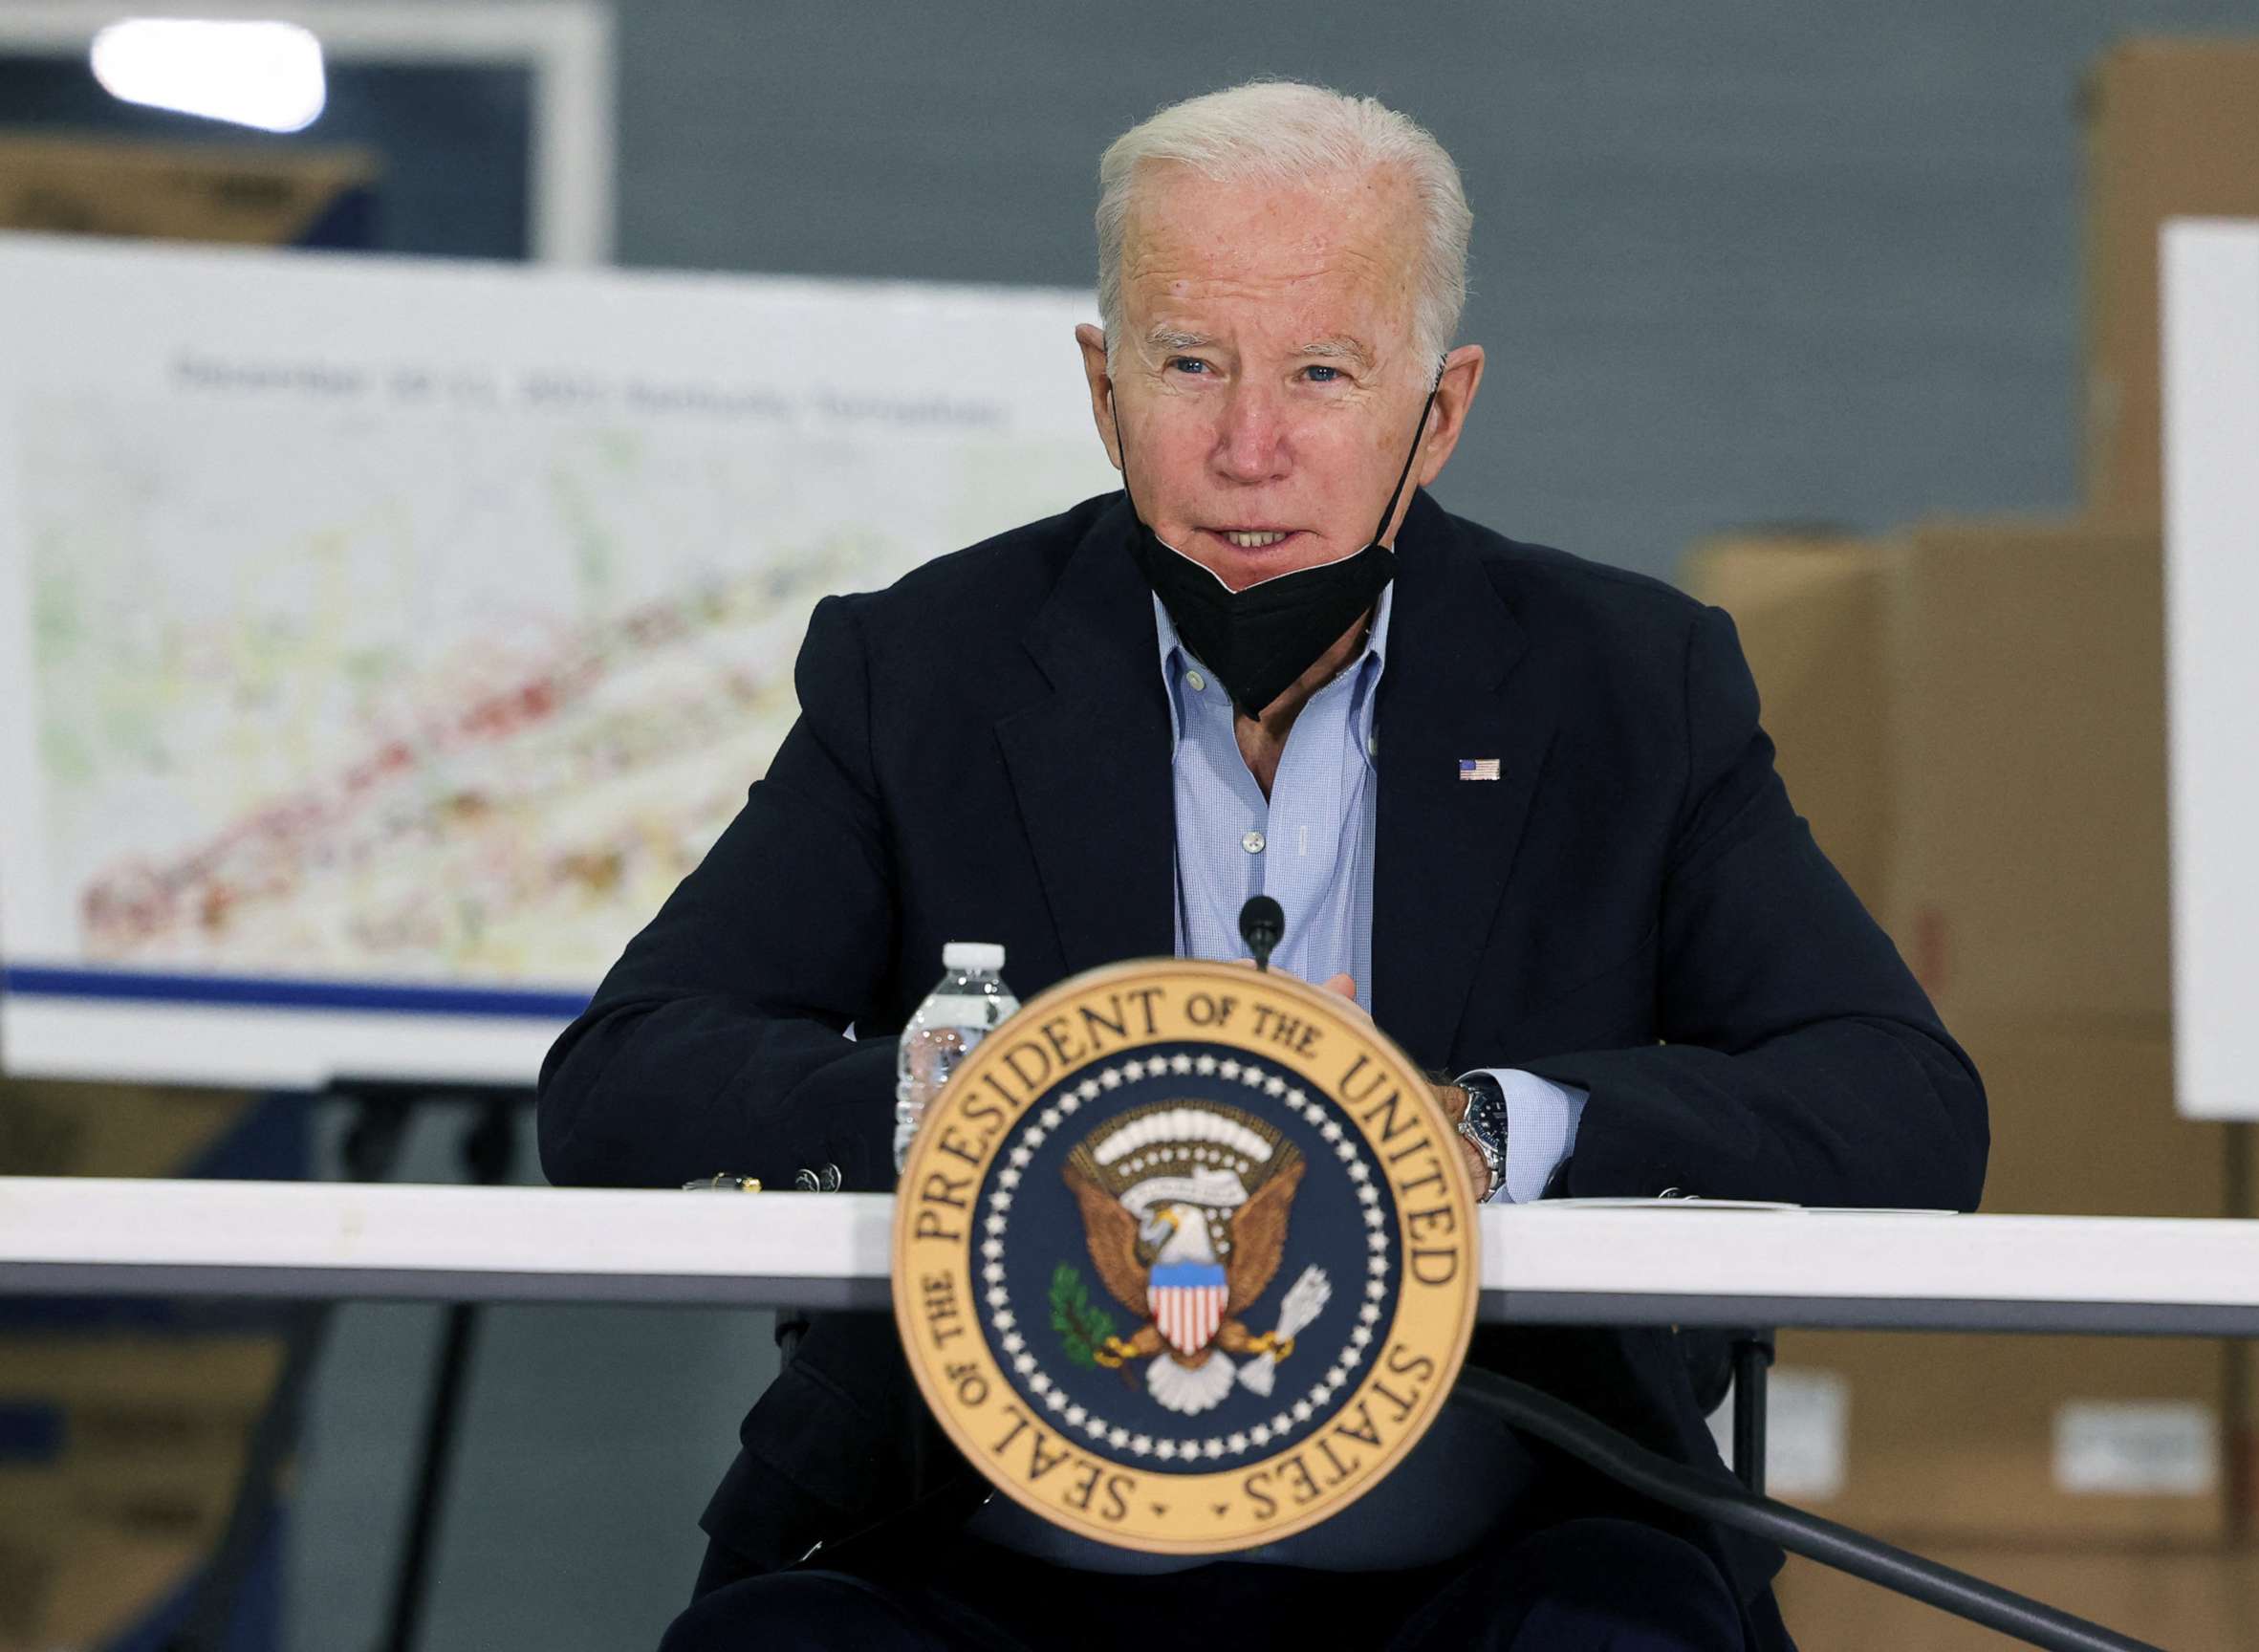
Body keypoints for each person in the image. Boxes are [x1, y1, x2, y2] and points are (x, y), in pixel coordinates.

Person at [537, 81, 1986, 1652]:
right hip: (980, 1564)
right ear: (1103, 391)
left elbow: (1901, 1103)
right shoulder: (926, 670)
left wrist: (1487, 1135)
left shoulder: (1627, 685)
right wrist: (970, 1102)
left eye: (1319, 372)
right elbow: (622, 1082)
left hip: (1501, 1561)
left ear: (1440, 412)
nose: (1248, 448)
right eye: (1188, 366)